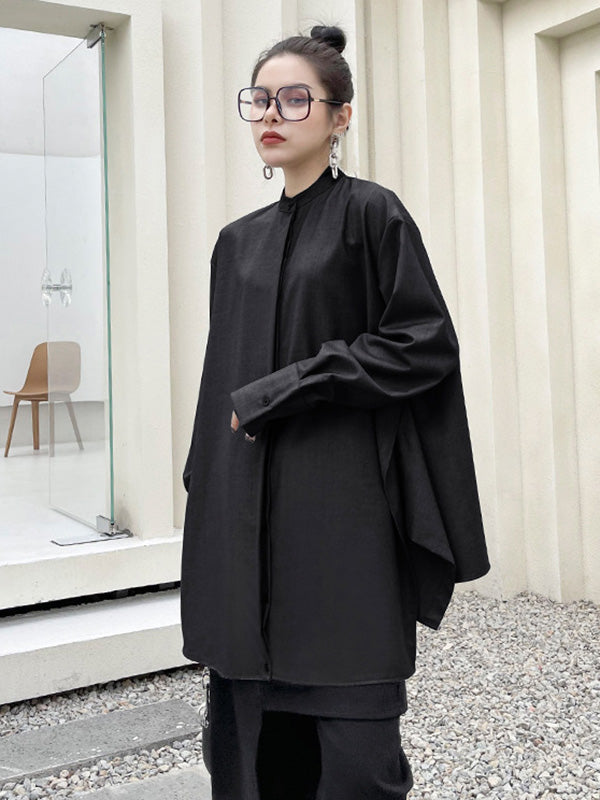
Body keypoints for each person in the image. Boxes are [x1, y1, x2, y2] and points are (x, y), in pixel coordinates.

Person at [181, 25, 490, 800]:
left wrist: (292, 384)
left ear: (340, 116)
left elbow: (423, 342)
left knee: (352, 757)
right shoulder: (236, 244)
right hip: (242, 515)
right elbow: (220, 379)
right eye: (260, 99)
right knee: (249, 755)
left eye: (295, 99)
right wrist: (203, 485)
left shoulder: (371, 215)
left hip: (341, 513)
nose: (271, 113)